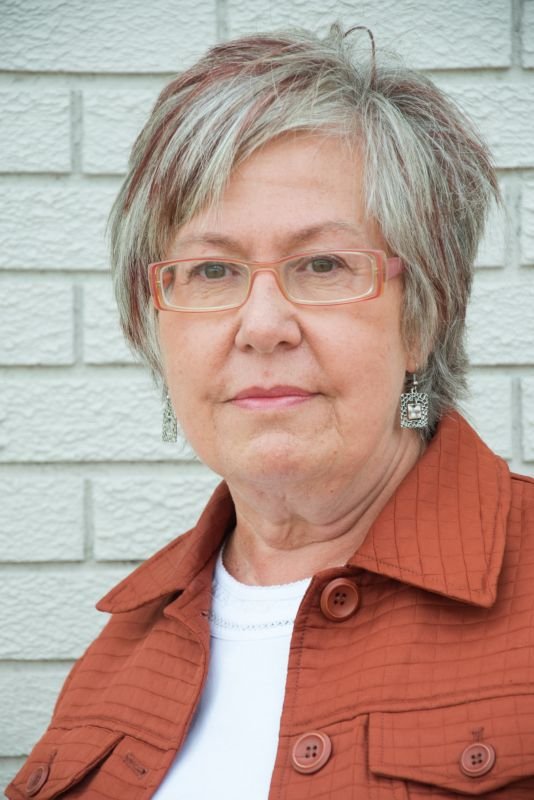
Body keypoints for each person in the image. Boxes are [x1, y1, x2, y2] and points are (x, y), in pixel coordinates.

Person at [6, 23, 534, 800]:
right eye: (211, 270)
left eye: (322, 264)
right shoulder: (115, 661)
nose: (261, 326)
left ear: (422, 317)